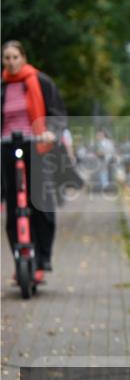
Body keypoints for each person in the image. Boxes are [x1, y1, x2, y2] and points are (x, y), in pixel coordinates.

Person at [1, 40, 68, 282]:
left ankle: (42, 258)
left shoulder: (40, 81)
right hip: (7, 145)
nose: (11, 62)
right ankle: (20, 257)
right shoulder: (2, 86)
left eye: (14, 57)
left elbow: (58, 114)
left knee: (40, 203)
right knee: (13, 205)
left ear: (23, 57)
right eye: (6, 58)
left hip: (37, 144)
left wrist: (51, 131)